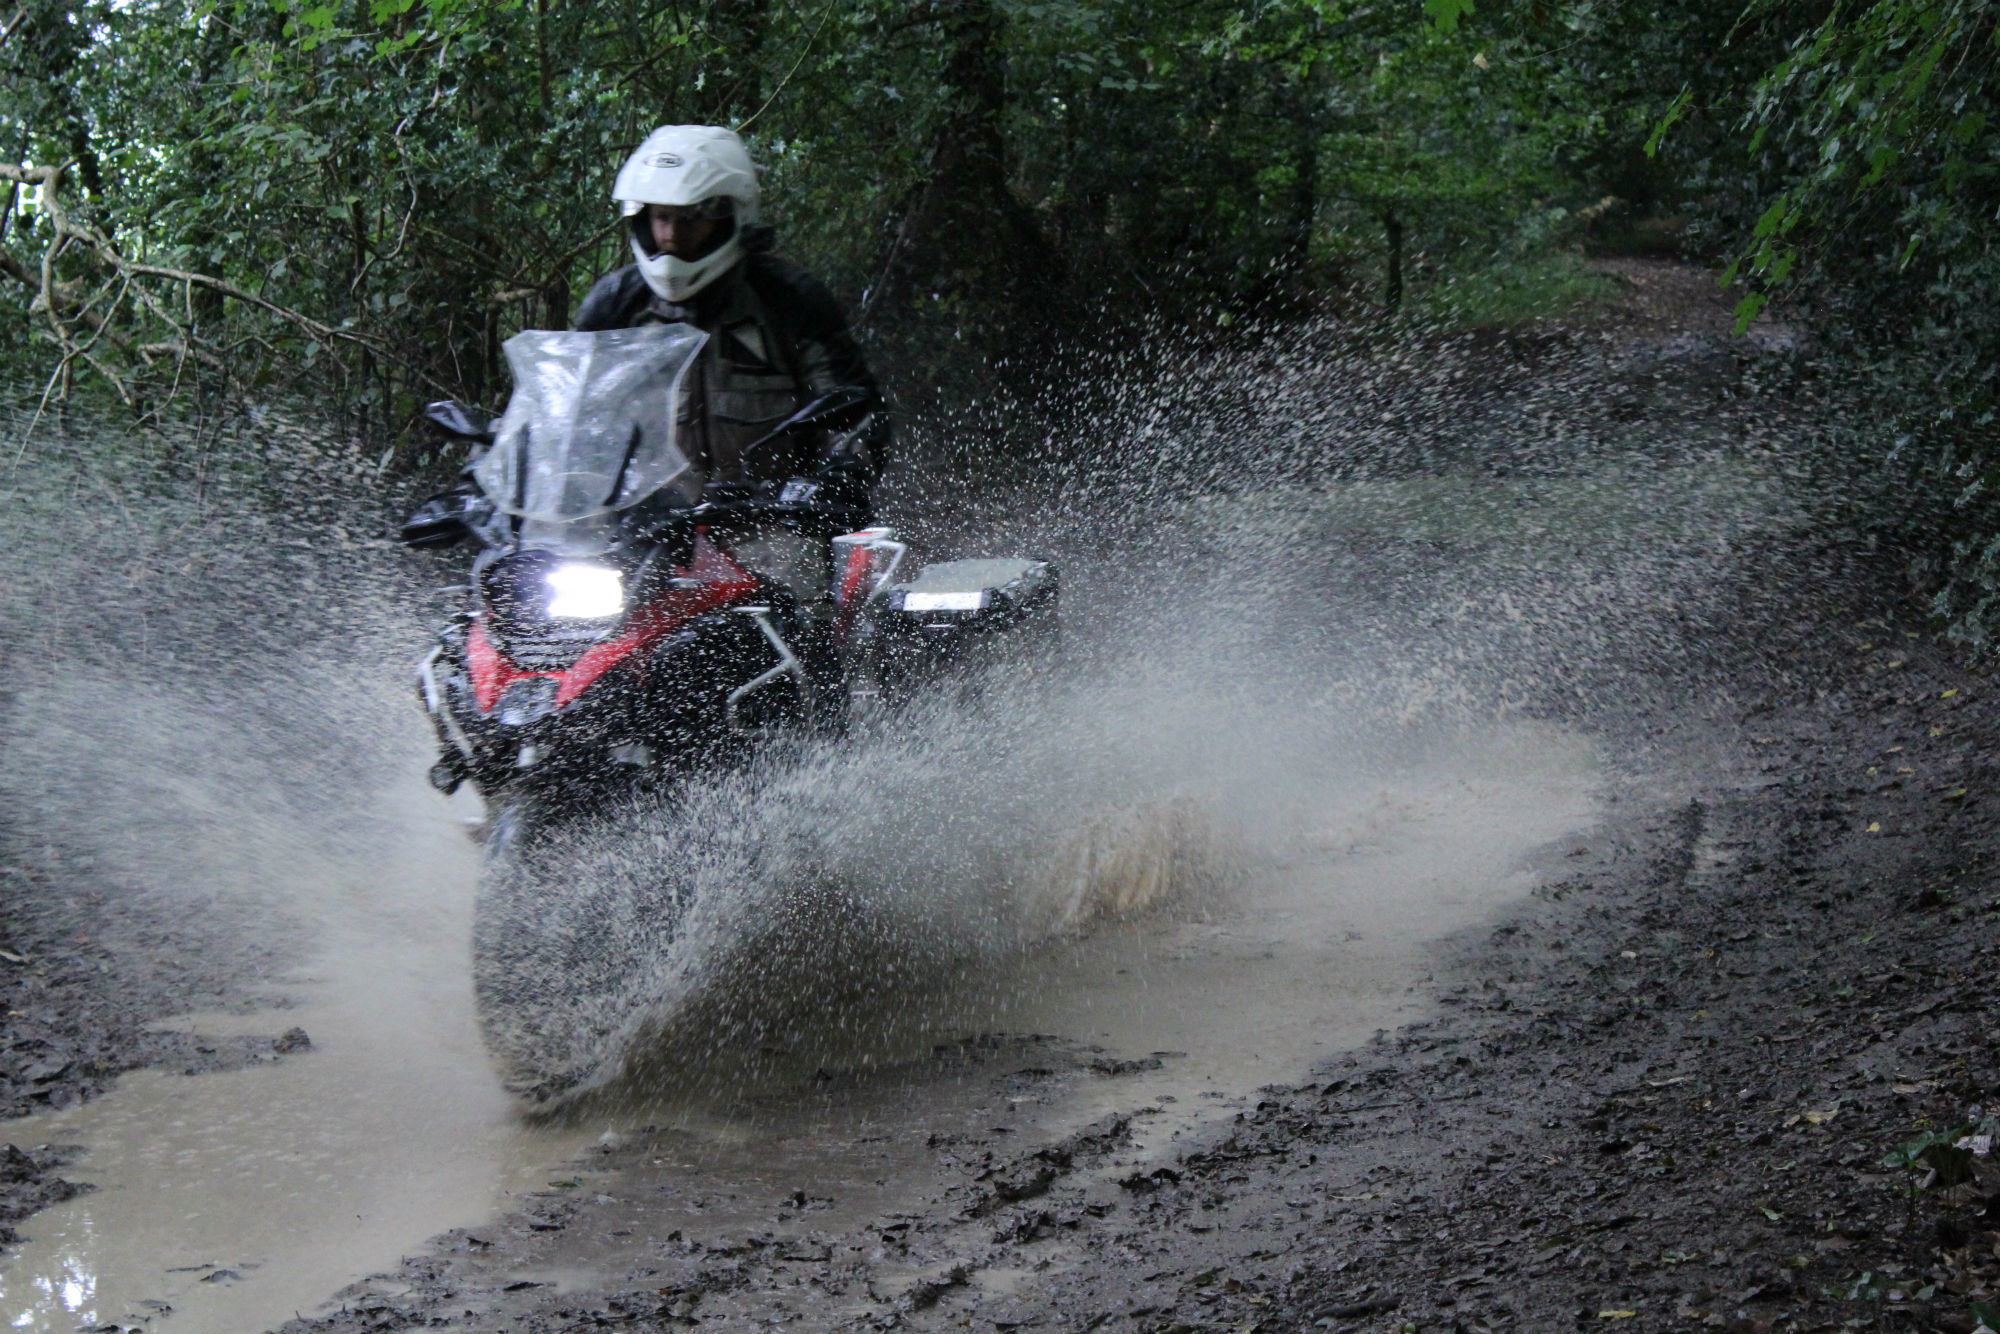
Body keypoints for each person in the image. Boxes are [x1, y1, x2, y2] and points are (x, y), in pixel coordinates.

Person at [573, 124, 889, 605]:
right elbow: (568, 419)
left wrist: (837, 478)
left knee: (792, 616)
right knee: (551, 624)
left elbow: (852, 412)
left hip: (769, 532)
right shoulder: (615, 308)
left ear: (730, 217)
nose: (671, 237)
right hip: (643, 535)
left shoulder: (788, 302)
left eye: (690, 219)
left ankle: (819, 682)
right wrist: (495, 485)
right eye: (660, 218)